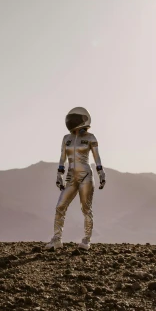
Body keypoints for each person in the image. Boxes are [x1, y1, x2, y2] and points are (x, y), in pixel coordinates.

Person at [45, 107, 106, 250]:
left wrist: (101, 173)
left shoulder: (90, 138)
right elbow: (62, 157)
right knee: (60, 206)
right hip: (71, 176)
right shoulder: (66, 139)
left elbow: (97, 157)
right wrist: (59, 174)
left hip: (86, 175)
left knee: (86, 208)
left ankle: (86, 240)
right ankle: (57, 239)